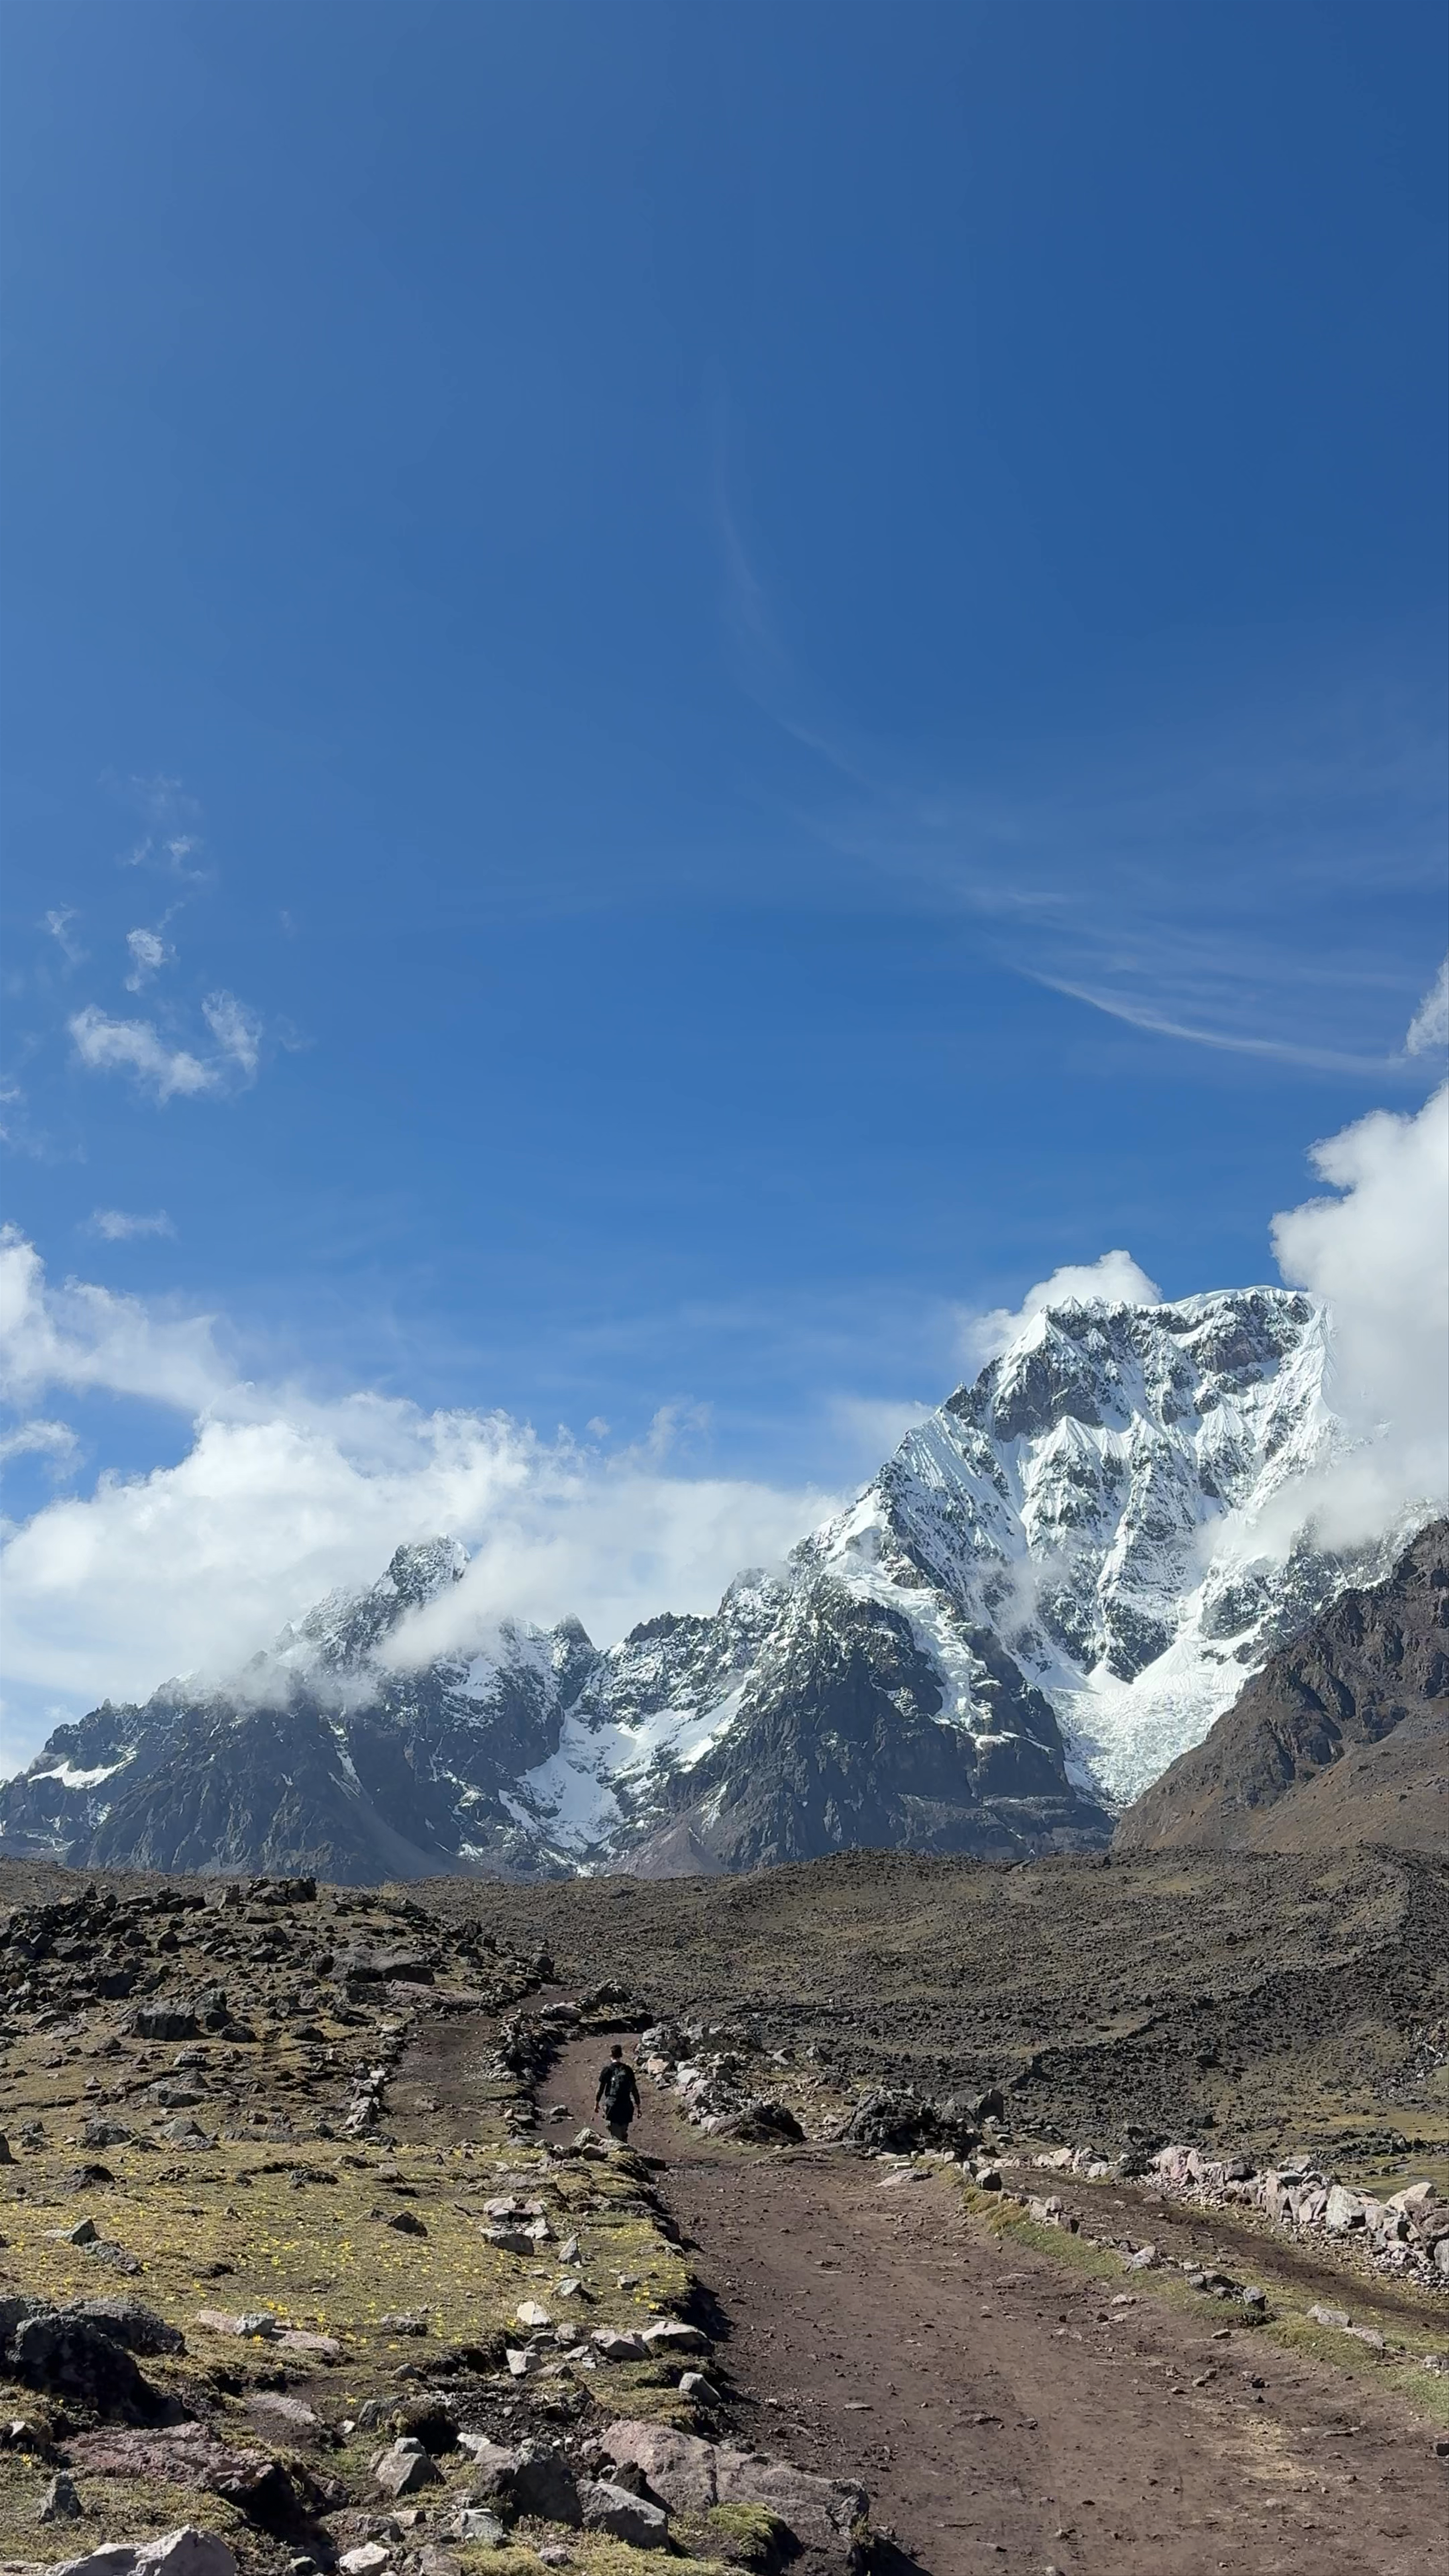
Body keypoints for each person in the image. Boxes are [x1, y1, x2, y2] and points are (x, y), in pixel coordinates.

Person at [594, 2042, 641, 2142]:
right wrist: (638, 2106)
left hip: (612, 2105)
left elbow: (600, 2089)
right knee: (623, 2131)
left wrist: (597, 2103)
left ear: (611, 2055)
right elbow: (634, 2090)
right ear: (621, 2055)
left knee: (615, 2133)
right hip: (627, 2105)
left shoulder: (607, 2070)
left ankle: (619, 2153)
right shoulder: (628, 2070)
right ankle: (626, 2151)